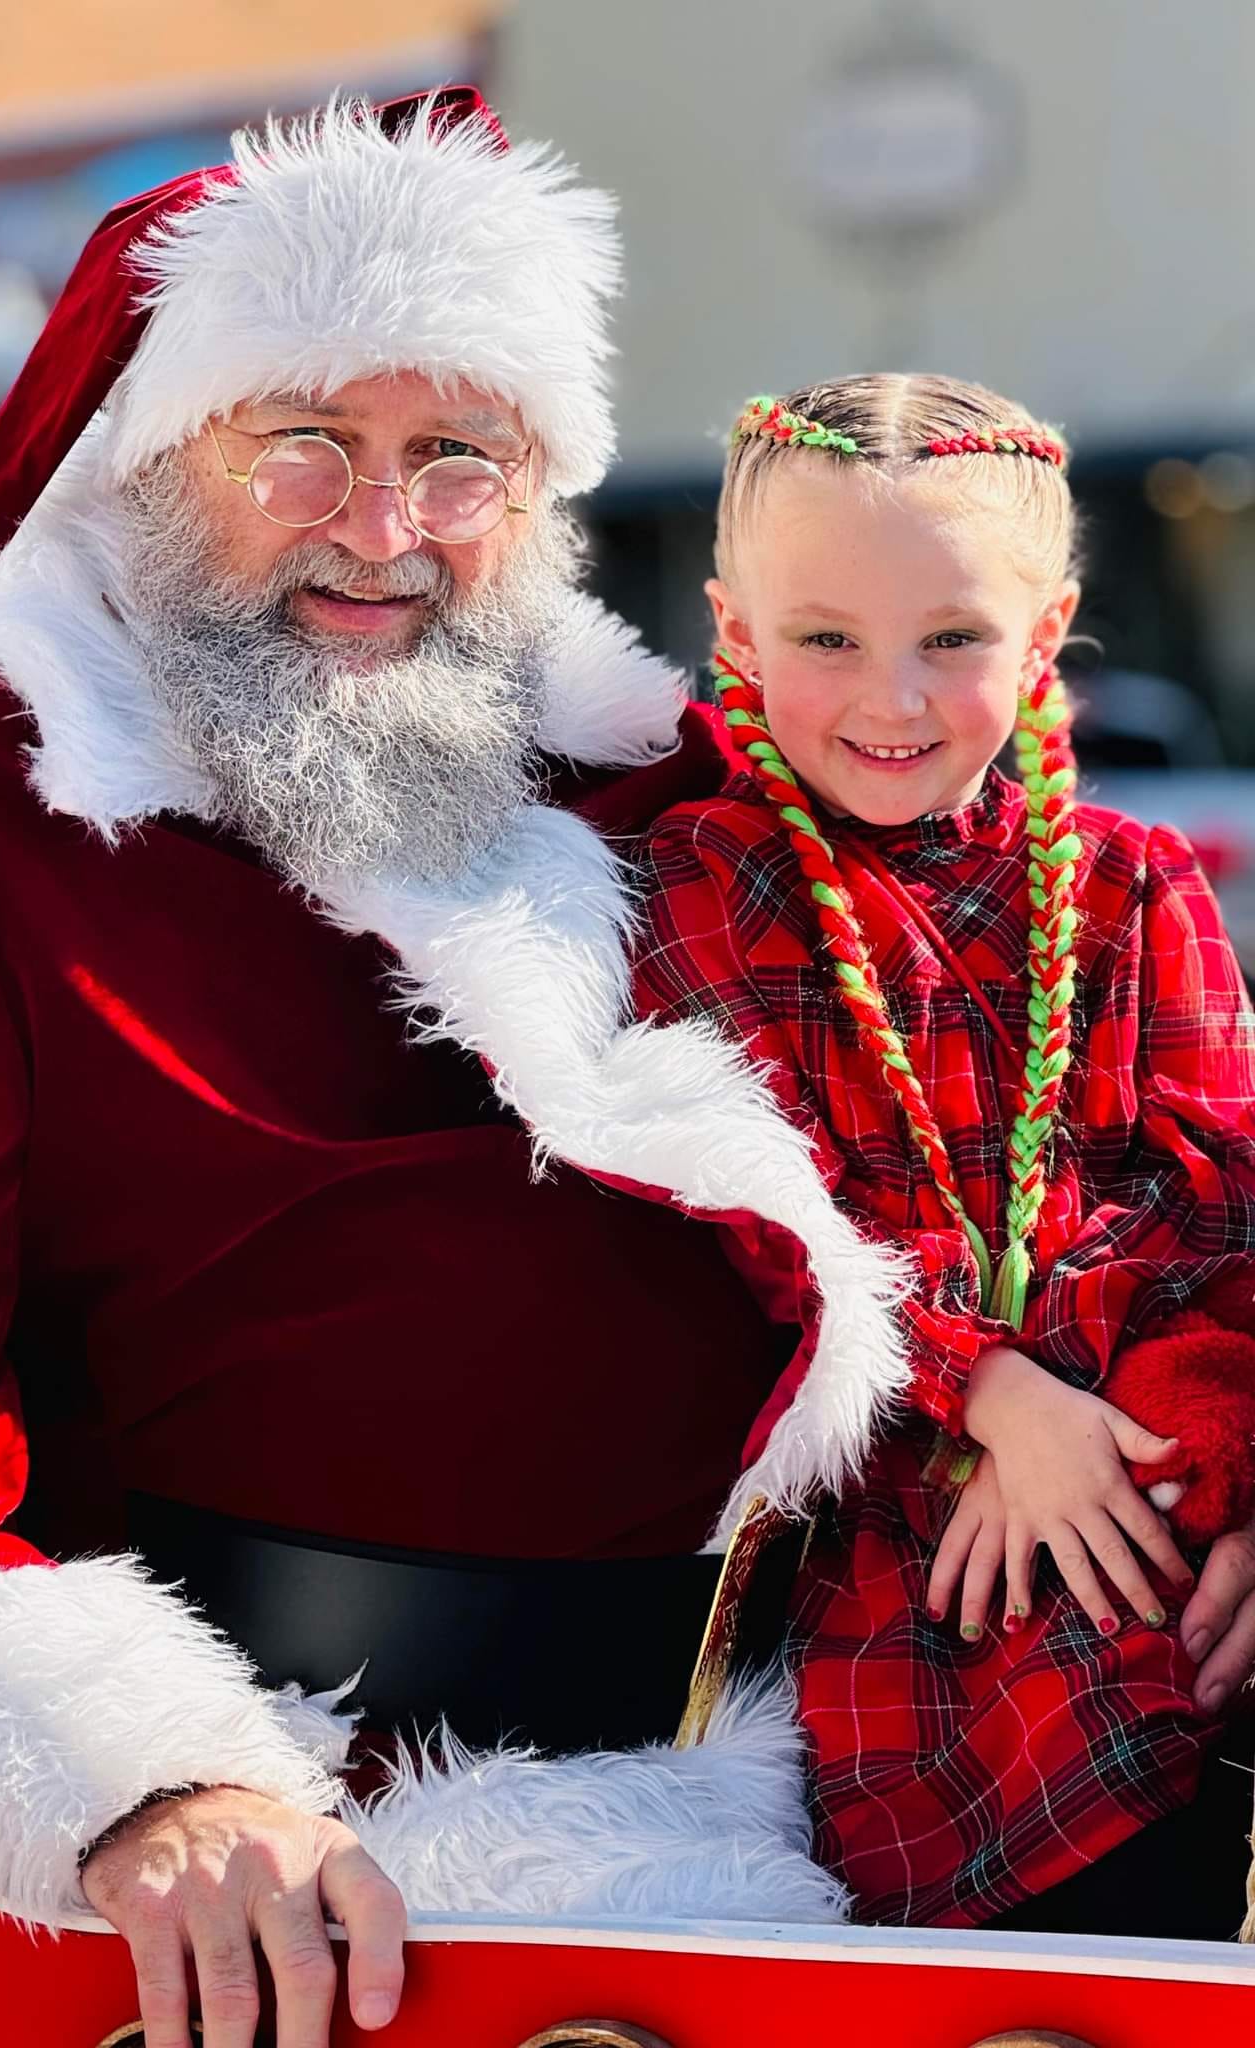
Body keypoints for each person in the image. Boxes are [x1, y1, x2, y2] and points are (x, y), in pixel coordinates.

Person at [0, 88, 818, 2048]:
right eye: (305, 443)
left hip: (795, 1824)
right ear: (153, 459)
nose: (385, 532)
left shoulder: (668, 788)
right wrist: (142, 1775)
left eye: (454, 458)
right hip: (287, 1883)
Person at [616, 375, 1255, 1931]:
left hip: (1135, 1508)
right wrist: (994, 1393)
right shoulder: (698, 885)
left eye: (952, 640)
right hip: (858, 1537)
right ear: (736, 633)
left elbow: (1221, 1213)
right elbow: (766, 1229)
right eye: (827, 639)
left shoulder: (1134, 888)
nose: (891, 700)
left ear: (1045, 639)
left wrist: (1211, 1463)